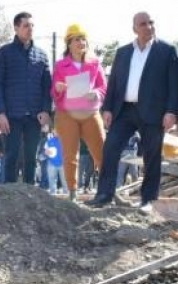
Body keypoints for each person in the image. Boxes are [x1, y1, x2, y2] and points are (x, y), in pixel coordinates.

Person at [86, 12, 178, 215]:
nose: (148, 26)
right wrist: (108, 108)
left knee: (151, 155)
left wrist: (172, 111)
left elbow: (175, 84)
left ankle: (147, 200)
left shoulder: (167, 51)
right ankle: (104, 195)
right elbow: (114, 83)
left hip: (153, 112)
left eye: (151, 22)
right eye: (143, 24)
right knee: (110, 149)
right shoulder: (123, 52)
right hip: (124, 110)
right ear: (134, 29)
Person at [0, 12, 52, 184]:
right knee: (11, 156)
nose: (30, 29)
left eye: (32, 26)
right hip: (11, 116)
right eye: (26, 25)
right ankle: (9, 196)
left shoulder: (41, 55)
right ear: (16, 28)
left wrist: (46, 110)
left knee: (31, 158)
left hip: (34, 116)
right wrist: (0, 112)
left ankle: (30, 194)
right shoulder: (4, 53)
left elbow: (47, 87)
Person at [50, 24, 106, 202]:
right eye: (77, 39)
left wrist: (96, 94)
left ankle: (107, 191)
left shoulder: (95, 62)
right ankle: (72, 194)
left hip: (90, 113)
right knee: (70, 155)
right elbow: (53, 91)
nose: (81, 43)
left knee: (102, 152)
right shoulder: (60, 65)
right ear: (69, 43)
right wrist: (58, 88)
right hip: (67, 114)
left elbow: (103, 87)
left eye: (83, 39)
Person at [44, 129, 67, 195]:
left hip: (63, 163)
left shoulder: (65, 140)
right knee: (52, 180)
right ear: (53, 131)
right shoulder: (48, 141)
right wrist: (46, 152)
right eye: (55, 130)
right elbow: (44, 151)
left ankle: (67, 195)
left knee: (65, 181)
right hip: (51, 163)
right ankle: (53, 195)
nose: (56, 132)